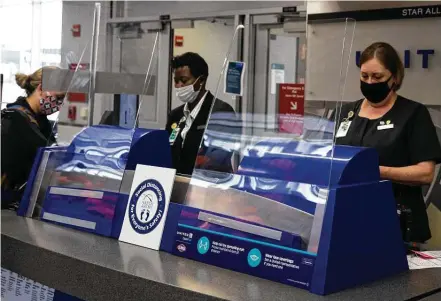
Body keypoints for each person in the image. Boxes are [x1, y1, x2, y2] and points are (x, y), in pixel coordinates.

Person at [333, 42, 441, 246]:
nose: (370, 82)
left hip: (395, 221)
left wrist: (376, 170)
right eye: (364, 76)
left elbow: (426, 173)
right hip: (346, 217)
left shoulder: (413, 114)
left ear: (395, 78)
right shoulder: (345, 113)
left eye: (378, 77)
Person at [1, 67, 65, 209]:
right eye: (58, 98)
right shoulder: (17, 118)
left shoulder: (41, 121)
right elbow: (48, 154)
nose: (59, 104)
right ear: (41, 88)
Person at [166, 52, 237, 175]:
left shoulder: (221, 112)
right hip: (177, 184)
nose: (179, 86)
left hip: (209, 186)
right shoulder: (176, 115)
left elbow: (216, 159)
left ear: (201, 80)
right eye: (176, 81)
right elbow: (166, 152)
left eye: (184, 80)